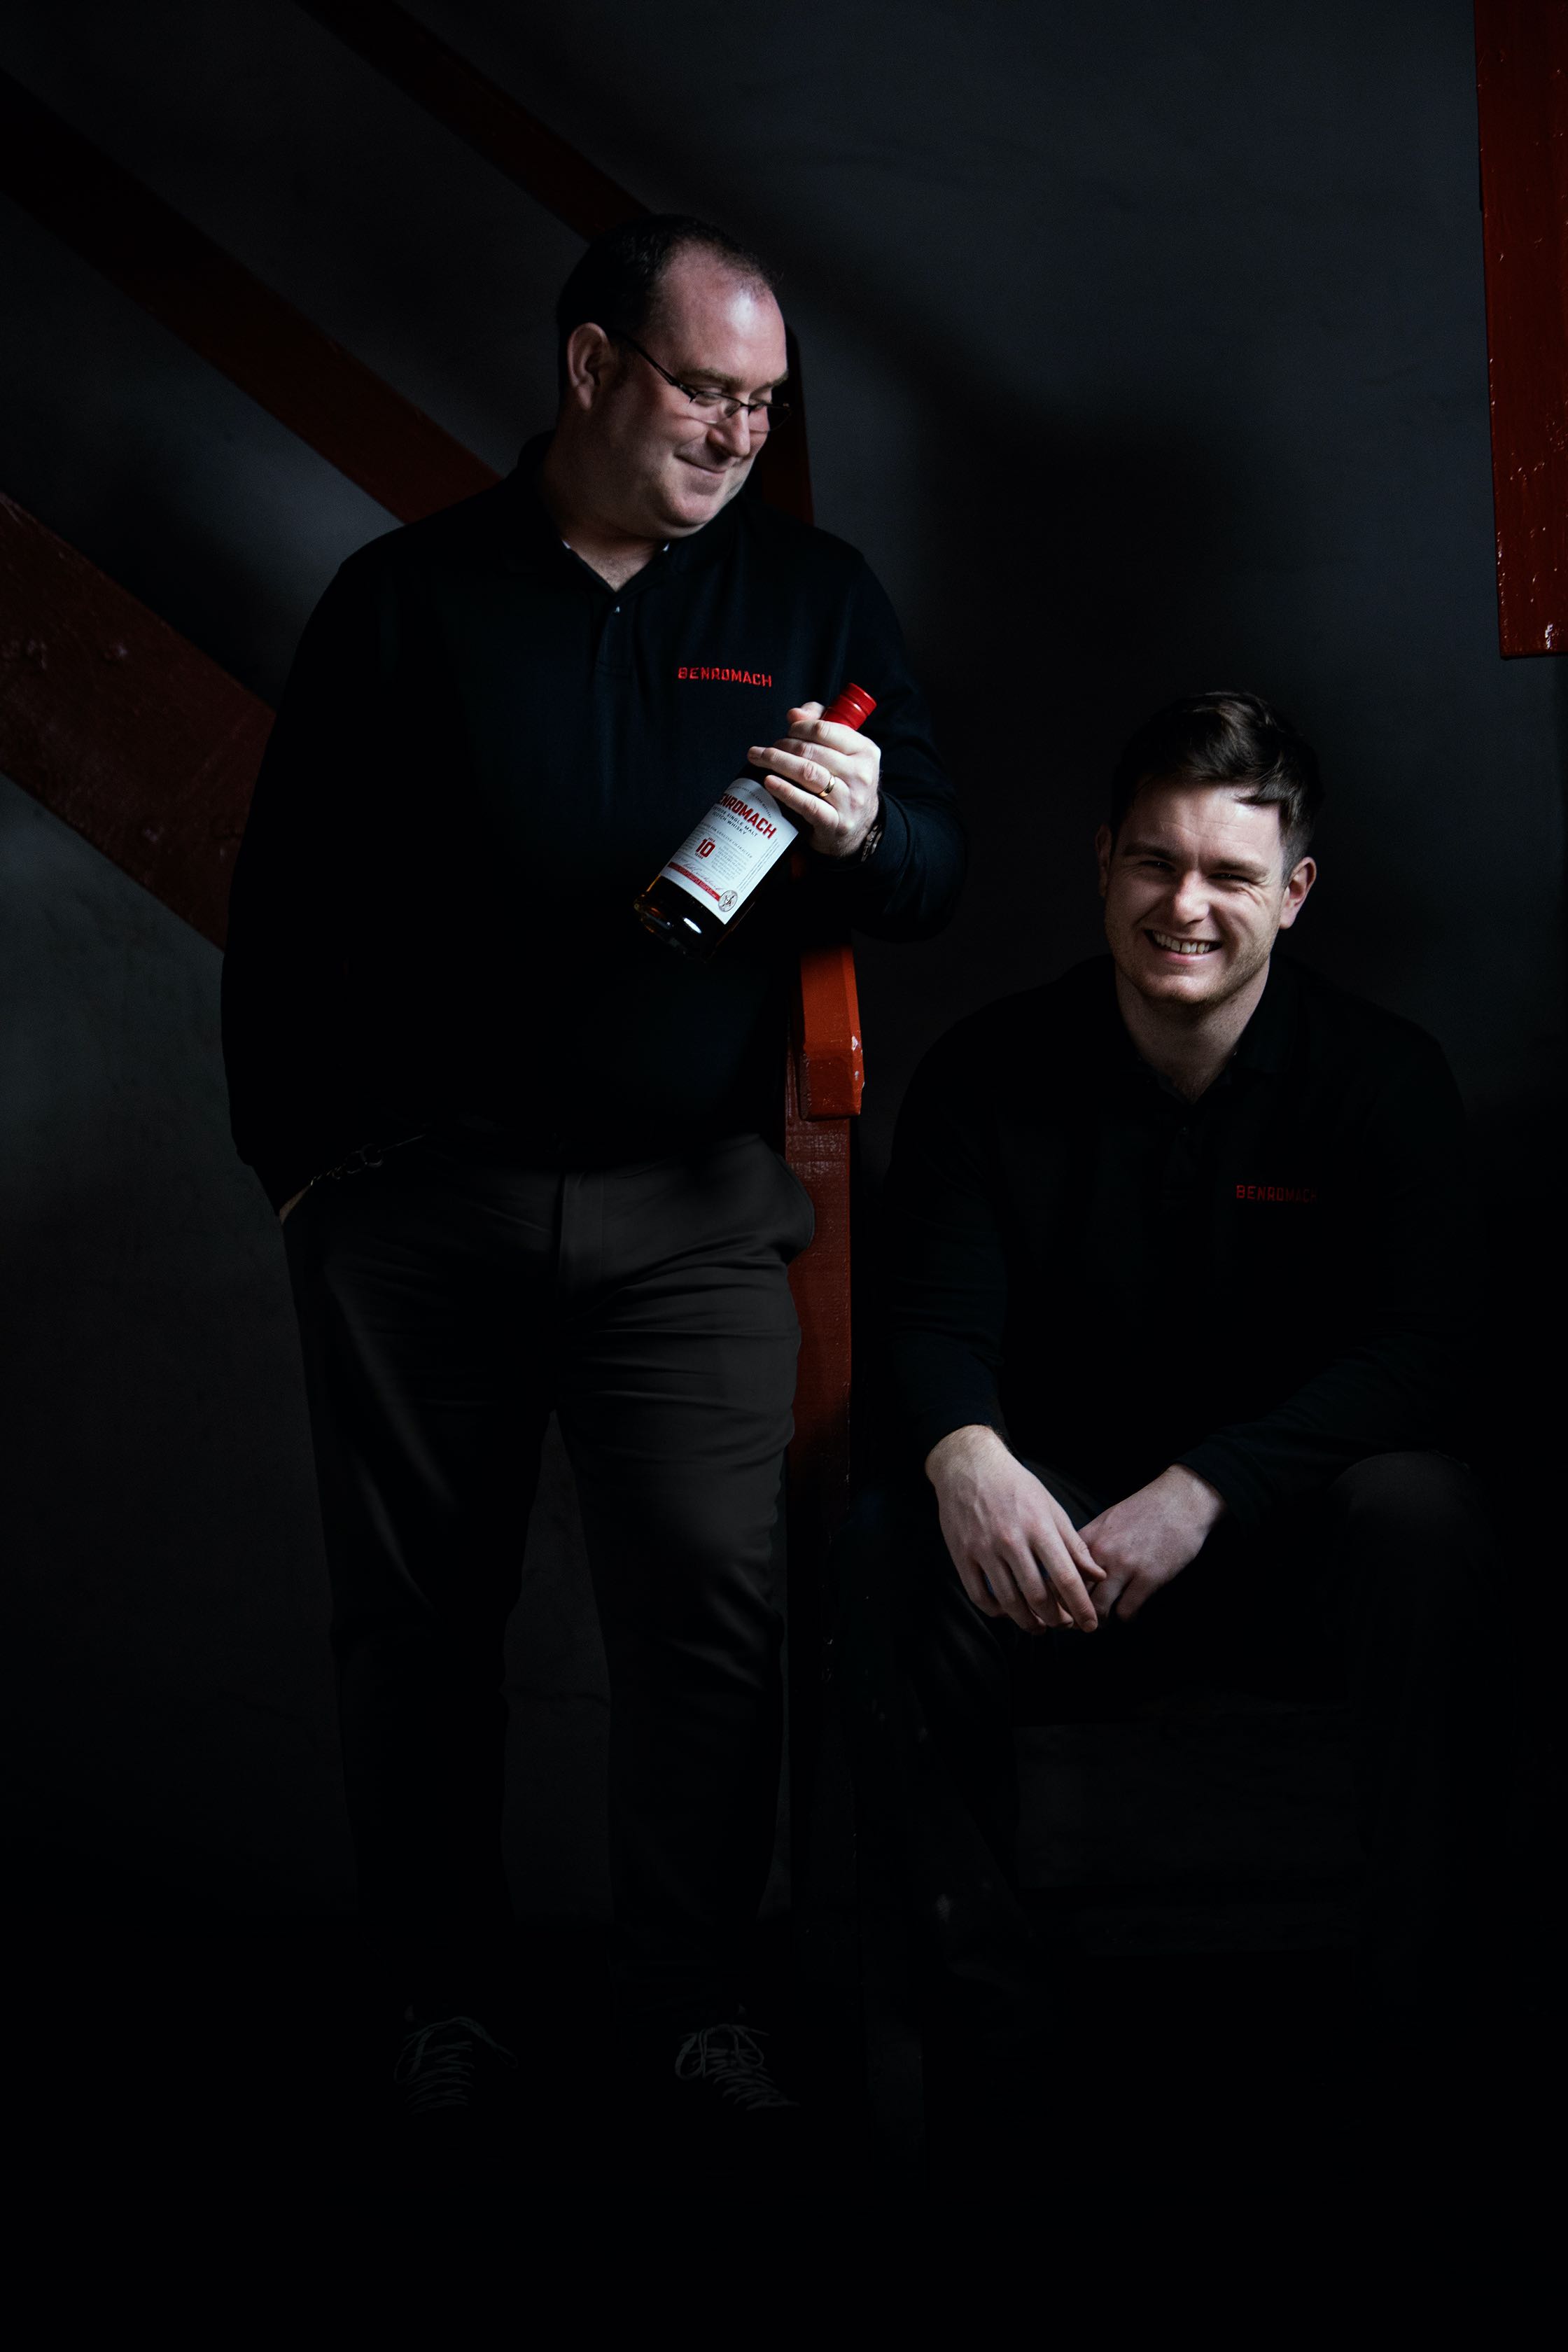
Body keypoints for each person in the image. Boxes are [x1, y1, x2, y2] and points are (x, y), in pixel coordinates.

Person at [220, 214, 964, 2134]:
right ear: (588, 367)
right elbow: (282, 905)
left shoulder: (813, 595)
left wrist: (870, 836)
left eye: (764, 405)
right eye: (706, 389)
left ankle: (693, 2005)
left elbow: (936, 875)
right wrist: (304, 1174)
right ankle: (437, 2006)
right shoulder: (406, 597)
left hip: (694, 1213)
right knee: (414, 1633)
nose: (737, 435)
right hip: (420, 1207)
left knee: (713, 1621)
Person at [838, 689, 1492, 2099]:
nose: (1184, 906)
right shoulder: (988, 1073)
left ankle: (1420, 2018)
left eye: (1228, 875)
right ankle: (982, 2025)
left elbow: (1429, 1351)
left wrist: (1207, 1490)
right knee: (892, 1533)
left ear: (1294, 894)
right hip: (1065, 1563)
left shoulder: (1382, 1079)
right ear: (1103, 863)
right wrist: (966, 1456)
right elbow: (928, 1320)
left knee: (1425, 1513)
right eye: (1154, 861)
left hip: (1290, 1552)